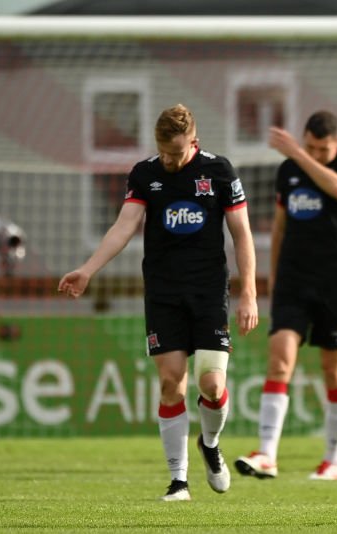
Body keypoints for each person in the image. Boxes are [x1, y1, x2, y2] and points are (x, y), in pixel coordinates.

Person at [58, 104, 259, 500]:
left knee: (213, 385)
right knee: (171, 383)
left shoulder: (219, 172)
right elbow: (124, 227)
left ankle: (211, 444)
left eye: (178, 153)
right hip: (164, 293)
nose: (170, 160)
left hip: (208, 291)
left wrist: (249, 292)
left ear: (194, 142)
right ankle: (178, 480)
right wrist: (88, 269)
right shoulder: (145, 174)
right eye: (164, 152)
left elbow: (242, 234)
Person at [234, 112, 337, 482]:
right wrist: (273, 277)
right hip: (293, 283)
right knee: (279, 362)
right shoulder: (288, 172)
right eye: (310, 146)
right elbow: (280, 227)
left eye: (322, 148)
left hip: (335, 285)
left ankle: (333, 460)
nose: (316, 153)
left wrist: (299, 154)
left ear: (336, 143)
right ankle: (266, 455)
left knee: (334, 371)